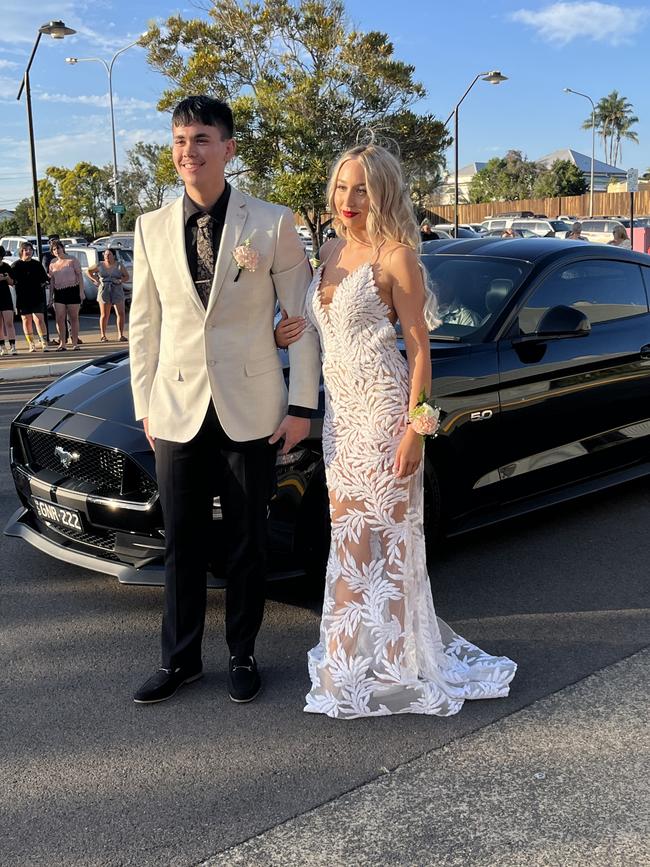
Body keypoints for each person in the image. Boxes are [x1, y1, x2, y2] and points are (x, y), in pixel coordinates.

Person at [277, 145, 516, 719]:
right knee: (349, 543)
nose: (348, 201)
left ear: (382, 193)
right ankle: (361, 657)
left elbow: (420, 353)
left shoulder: (398, 256)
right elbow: (324, 326)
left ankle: (381, 662)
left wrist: (418, 431)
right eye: (341, 188)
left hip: (386, 418)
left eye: (361, 189)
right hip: (342, 423)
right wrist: (291, 329)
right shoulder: (329, 250)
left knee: (386, 545)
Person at [128, 95, 320, 706]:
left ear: (229, 149)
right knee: (181, 542)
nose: (190, 151)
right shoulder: (150, 227)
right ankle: (179, 659)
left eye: (203, 139)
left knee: (247, 539)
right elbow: (144, 324)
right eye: (181, 139)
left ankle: (243, 652)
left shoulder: (271, 222)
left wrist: (302, 405)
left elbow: (302, 318)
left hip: (253, 403)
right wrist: (143, 404)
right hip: (176, 405)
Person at [10, 241, 50, 353]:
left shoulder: (37, 264)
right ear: (21, 251)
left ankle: (44, 342)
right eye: (26, 250)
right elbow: (12, 281)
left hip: (36, 296)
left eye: (30, 249)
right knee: (26, 320)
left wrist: (42, 284)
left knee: (39, 319)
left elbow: (44, 279)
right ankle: (31, 344)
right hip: (22, 297)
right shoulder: (15, 265)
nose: (28, 252)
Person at [48, 241, 84, 351]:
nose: (57, 251)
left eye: (58, 248)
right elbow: (52, 281)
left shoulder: (72, 260)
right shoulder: (52, 263)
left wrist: (81, 292)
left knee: (73, 317)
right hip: (59, 292)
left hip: (72, 290)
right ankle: (62, 343)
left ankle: (75, 343)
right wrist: (50, 296)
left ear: (62, 248)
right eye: (54, 249)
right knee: (59, 318)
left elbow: (80, 276)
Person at [88, 249, 129, 342]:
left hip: (117, 289)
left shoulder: (119, 265)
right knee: (104, 314)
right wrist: (96, 280)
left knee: (121, 313)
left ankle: (121, 334)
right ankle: (103, 335)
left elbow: (126, 276)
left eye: (109, 254)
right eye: (105, 254)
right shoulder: (100, 265)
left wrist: (120, 280)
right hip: (104, 289)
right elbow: (89, 271)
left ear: (113, 256)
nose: (107, 256)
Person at [0, 246, 17, 355]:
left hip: (5, 296)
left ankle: (13, 346)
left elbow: (12, 282)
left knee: (9, 322)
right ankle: (2, 347)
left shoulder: (6, 266)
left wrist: (6, 278)